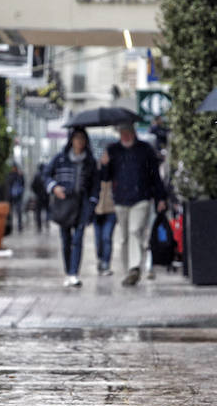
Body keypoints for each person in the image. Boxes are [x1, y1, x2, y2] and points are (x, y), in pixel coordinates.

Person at [100, 123, 167, 286]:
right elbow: (105, 177)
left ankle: (135, 267)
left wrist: (161, 198)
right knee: (124, 237)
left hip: (141, 198)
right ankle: (128, 269)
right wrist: (105, 164)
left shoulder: (145, 150)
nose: (125, 136)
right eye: (122, 132)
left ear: (134, 133)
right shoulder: (112, 150)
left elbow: (155, 176)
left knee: (134, 231)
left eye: (128, 132)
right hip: (120, 199)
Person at [44, 127, 99, 287]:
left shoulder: (90, 161)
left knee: (78, 238)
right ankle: (68, 271)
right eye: (76, 138)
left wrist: (93, 201)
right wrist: (54, 187)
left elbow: (95, 184)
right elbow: (46, 174)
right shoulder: (60, 158)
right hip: (64, 203)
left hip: (82, 202)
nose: (79, 142)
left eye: (82, 139)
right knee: (66, 239)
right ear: (71, 140)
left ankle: (74, 273)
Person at [6, 163, 25, 232]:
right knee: (10, 212)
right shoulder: (9, 175)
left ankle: (19, 226)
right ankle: (9, 227)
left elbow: (23, 184)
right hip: (10, 196)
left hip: (18, 196)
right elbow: (8, 184)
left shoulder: (19, 175)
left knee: (18, 211)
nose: (13, 169)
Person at [31, 163, 50, 232]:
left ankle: (39, 226)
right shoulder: (46, 175)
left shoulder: (37, 176)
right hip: (46, 196)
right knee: (47, 210)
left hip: (39, 196)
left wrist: (37, 192)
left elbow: (32, 186)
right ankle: (47, 223)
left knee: (38, 211)